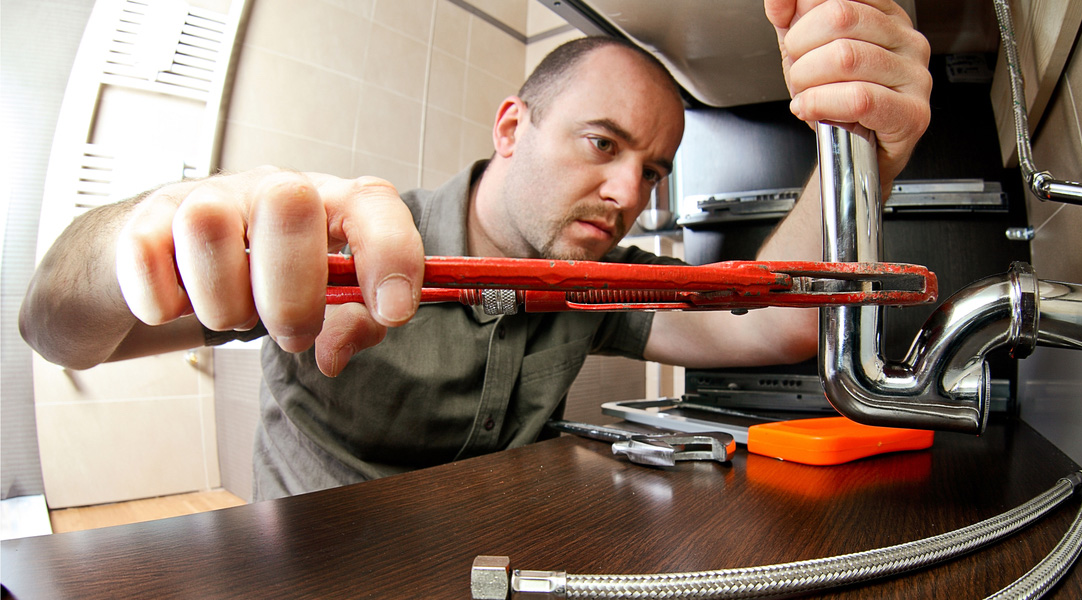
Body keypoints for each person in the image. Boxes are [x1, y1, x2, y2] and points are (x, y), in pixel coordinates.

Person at [20, 0, 931, 499]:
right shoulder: (340, 252)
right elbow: (59, 333)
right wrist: (149, 236)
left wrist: (861, 150)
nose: (629, 195)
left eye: (653, 169)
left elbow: (772, 330)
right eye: (602, 144)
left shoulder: (599, 286)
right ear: (511, 127)